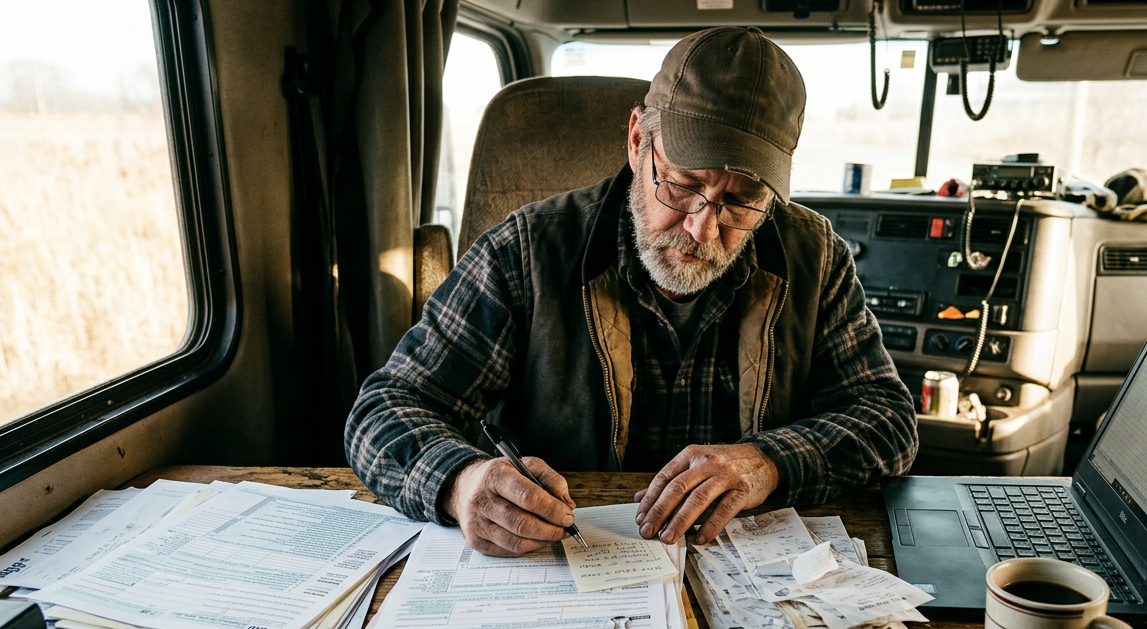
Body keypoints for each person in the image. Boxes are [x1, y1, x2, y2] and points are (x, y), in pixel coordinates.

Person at [345, 27, 918, 556]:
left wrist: (767, 463)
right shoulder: (524, 253)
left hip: (750, 571)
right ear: (637, 141)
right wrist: (460, 481)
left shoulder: (813, 257)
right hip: (562, 564)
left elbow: (888, 420)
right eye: (683, 185)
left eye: (742, 200)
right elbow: (384, 410)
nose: (703, 229)